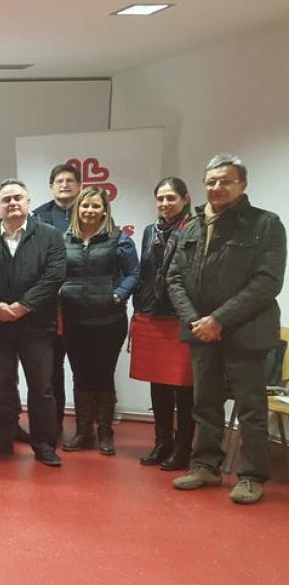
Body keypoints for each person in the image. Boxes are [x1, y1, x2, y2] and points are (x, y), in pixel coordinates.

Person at [168, 154, 286, 505]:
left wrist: (219, 319)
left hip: (245, 331)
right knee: (205, 403)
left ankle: (251, 475)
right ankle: (205, 465)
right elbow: (174, 277)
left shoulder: (265, 224)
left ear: (242, 185)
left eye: (226, 181)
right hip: (201, 332)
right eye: (212, 181)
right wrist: (196, 321)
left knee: (250, 407)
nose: (217, 187)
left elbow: (267, 282)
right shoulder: (191, 225)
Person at [0, 179, 66, 467]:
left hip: (37, 326)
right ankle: (0, 440)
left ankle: (44, 444)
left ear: (28, 202)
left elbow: (54, 276)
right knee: (2, 386)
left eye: (17, 198)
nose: (12, 203)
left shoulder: (50, 236)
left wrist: (22, 306)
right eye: (6, 199)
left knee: (41, 388)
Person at [58, 187, 140, 456]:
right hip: (74, 319)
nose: (90, 211)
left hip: (109, 320)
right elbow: (55, 272)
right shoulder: (64, 239)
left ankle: (105, 431)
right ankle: (83, 432)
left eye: (95, 206)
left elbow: (134, 273)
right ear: (77, 209)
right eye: (85, 206)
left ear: (105, 210)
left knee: (104, 375)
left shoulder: (119, 239)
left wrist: (118, 295)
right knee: (81, 375)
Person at [130, 177, 196, 469]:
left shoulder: (196, 229)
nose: (165, 204)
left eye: (171, 198)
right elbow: (146, 272)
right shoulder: (149, 231)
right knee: (158, 386)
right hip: (152, 315)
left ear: (185, 199)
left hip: (181, 316)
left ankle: (183, 450)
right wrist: (139, 307)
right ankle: (162, 443)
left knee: (184, 388)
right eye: (161, 198)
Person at [32, 163, 82, 428]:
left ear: (79, 186)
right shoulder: (38, 217)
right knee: (52, 370)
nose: (64, 185)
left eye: (70, 180)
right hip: (48, 306)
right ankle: (54, 424)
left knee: (84, 369)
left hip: (82, 305)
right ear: (51, 186)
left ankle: (88, 427)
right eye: (59, 181)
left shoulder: (89, 213)